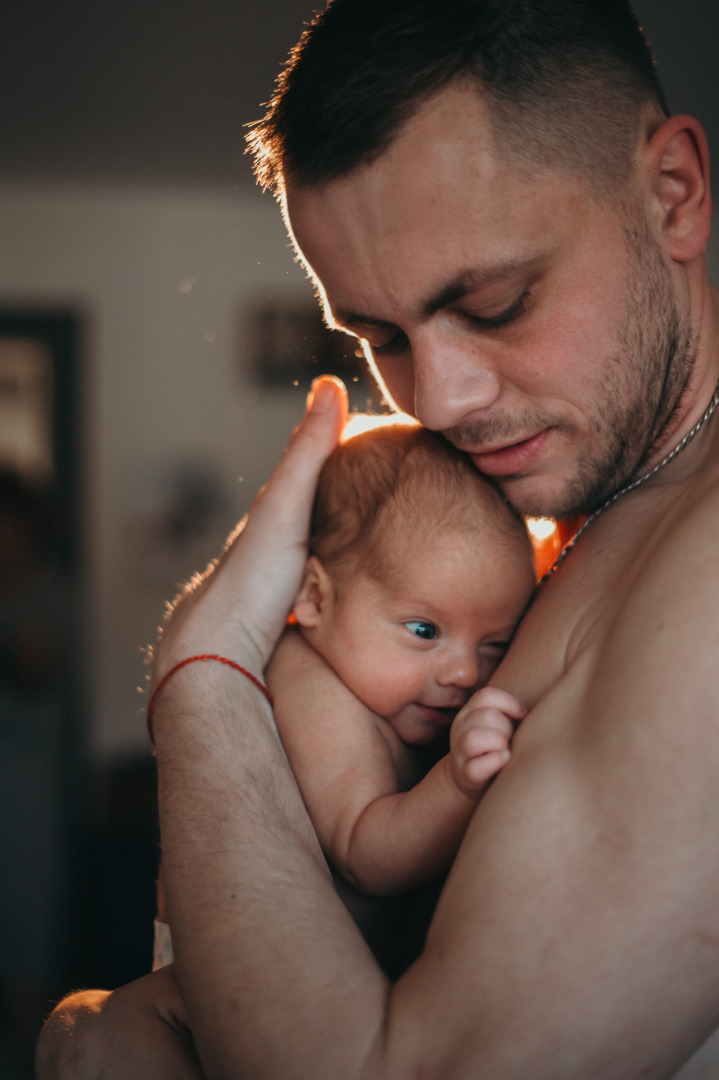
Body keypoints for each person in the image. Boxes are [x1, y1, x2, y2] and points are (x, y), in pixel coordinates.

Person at [36, 0, 719, 1077]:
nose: (436, 400)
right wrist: (98, 1024)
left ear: (671, 194)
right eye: (381, 339)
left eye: (493, 302)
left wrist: (205, 673)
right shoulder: (585, 535)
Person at [152, 416, 534, 973]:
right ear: (314, 597)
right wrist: (457, 783)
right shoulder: (313, 684)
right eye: (424, 631)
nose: (464, 672)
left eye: (496, 644)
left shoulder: (380, 688)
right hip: (240, 984)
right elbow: (366, 855)